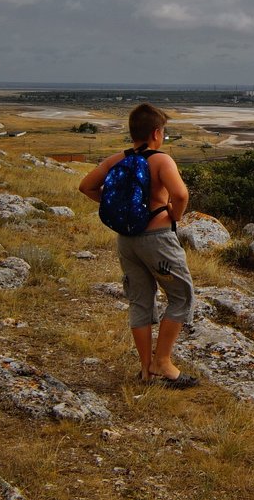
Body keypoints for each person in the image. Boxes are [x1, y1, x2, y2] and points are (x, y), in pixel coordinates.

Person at [79, 103, 199, 389]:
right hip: (157, 240)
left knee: (140, 300)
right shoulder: (161, 160)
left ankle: (146, 370)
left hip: (126, 241)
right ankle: (163, 362)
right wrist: (173, 215)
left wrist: (118, 209)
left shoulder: (115, 160)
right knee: (181, 296)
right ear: (156, 133)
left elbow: (86, 187)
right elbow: (181, 194)